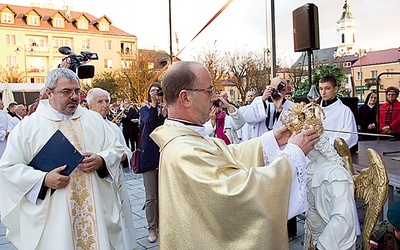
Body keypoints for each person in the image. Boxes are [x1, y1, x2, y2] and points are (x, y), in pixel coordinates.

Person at [149, 61, 320, 249]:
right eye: (209, 90)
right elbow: (235, 192)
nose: (214, 97)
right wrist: (293, 155)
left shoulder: (186, 136)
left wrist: (270, 140)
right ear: (186, 98)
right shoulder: (183, 151)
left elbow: (225, 155)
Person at [0, 68, 134, 249]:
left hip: (96, 213)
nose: (74, 97)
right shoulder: (28, 127)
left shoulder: (94, 120)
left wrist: (102, 160)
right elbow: (8, 167)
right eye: (66, 92)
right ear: (49, 93)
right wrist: (43, 179)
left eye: (77, 91)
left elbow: (118, 148)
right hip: (56, 217)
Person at [86, 87, 136, 247]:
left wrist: (123, 156)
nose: (105, 105)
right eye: (100, 101)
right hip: (99, 182)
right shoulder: (86, 127)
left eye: (107, 101)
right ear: (90, 105)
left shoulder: (113, 127)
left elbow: (126, 151)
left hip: (117, 181)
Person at [303, 133, 357, 249]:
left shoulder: (336, 175)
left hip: (328, 242)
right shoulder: (308, 167)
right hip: (312, 234)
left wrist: (323, 245)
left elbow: (342, 217)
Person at [139, 82, 167, 243]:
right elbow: (149, 125)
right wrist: (154, 107)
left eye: (158, 91)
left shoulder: (165, 109)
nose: (155, 94)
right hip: (148, 157)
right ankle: (151, 227)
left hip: (163, 155)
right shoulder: (144, 109)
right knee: (151, 196)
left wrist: (165, 111)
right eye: (152, 91)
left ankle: (162, 225)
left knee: (163, 194)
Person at [319, 75, 358, 148]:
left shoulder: (345, 111)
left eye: (327, 88)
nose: (323, 92)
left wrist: (328, 144)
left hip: (336, 153)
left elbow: (350, 136)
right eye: (321, 89)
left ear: (335, 89)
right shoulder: (316, 110)